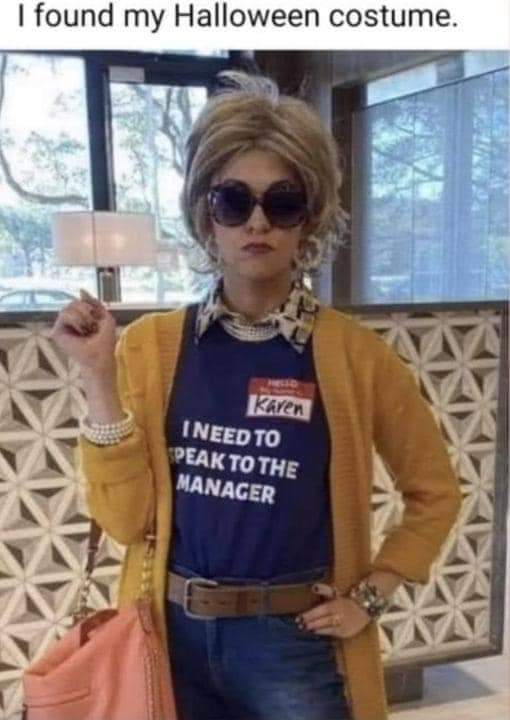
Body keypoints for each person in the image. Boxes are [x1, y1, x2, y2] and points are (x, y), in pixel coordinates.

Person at [51, 71, 462, 720]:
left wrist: (373, 593)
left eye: (283, 202)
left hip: (293, 644)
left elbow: (435, 491)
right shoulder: (152, 346)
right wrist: (98, 376)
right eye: (233, 201)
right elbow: (126, 524)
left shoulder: (355, 355)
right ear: (205, 216)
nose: (258, 223)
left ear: (309, 218)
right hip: (174, 636)